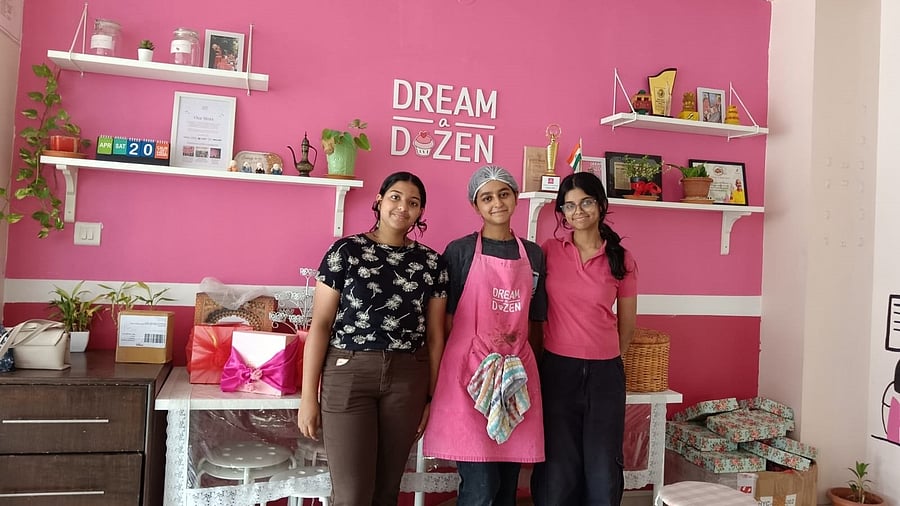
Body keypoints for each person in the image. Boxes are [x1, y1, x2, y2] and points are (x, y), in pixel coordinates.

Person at [298, 171, 448, 506]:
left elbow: (436, 337)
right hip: (348, 372)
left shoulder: (431, 263)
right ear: (379, 201)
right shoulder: (346, 252)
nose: (402, 207)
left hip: (408, 378)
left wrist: (429, 398)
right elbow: (320, 324)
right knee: (352, 495)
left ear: (420, 212)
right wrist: (309, 396)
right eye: (395, 197)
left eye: (413, 202)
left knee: (386, 492)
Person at [424, 165, 547, 506]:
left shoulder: (533, 254)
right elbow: (447, 319)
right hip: (467, 377)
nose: (497, 203)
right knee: (480, 488)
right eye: (487, 197)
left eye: (504, 194)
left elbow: (535, 319)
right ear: (475, 205)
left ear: (516, 198)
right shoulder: (460, 251)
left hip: (515, 376)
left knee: (507, 487)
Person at [530, 172, 637, 506]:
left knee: (603, 462)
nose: (578, 211)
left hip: (605, 373)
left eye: (586, 202)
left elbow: (628, 325)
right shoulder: (548, 251)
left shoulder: (622, 259)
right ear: (562, 212)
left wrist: (606, 356)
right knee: (559, 463)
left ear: (601, 205)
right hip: (558, 369)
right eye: (570, 205)